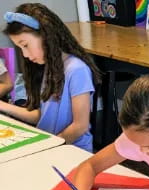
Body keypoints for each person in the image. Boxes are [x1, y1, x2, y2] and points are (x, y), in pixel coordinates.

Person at [0, 3, 101, 152]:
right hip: (52, 146)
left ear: (46, 36)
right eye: (20, 48)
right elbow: (41, 116)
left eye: (25, 45)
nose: (25, 55)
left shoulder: (77, 69)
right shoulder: (51, 67)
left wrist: (51, 147)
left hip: (73, 152)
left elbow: (80, 126)